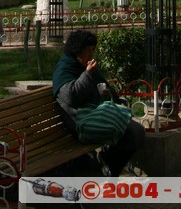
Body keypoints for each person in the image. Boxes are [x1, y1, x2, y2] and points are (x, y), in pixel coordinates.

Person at [52, 29, 145, 177]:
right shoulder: (64, 69)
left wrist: (110, 96)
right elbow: (70, 96)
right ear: (77, 50)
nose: (91, 54)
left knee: (137, 131)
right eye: (88, 50)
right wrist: (87, 75)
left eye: (92, 50)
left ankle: (107, 166)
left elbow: (103, 86)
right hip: (82, 123)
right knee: (130, 134)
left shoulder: (83, 65)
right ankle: (107, 171)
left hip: (97, 114)